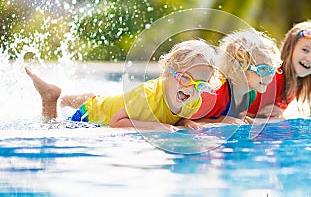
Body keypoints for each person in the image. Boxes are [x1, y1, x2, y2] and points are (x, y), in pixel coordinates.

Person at [25, 39, 218, 132]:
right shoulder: (148, 96)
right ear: (167, 72)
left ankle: (67, 98)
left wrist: (184, 122)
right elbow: (115, 123)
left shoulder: (194, 100)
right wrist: (159, 127)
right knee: (52, 128)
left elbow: (174, 118)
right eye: (185, 79)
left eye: (200, 85)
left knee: (96, 98)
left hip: (105, 103)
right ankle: (51, 98)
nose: (191, 89)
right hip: (92, 115)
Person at [177, 28, 282, 129]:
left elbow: (229, 117)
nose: (270, 75)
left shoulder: (250, 95)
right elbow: (178, 119)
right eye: (263, 69)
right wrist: (220, 121)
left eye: (272, 69)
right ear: (239, 69)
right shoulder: (213, 93)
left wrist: (241, 118)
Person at [247, 19, 311, 118]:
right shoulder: (272, 77)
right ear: (289, 48)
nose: (310, 58)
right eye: (305, 50)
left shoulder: (295, 82)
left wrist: (280, 113)